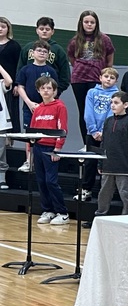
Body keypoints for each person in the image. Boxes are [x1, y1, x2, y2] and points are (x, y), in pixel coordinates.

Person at [67, 10, 115, 143]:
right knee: (84, 112)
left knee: (99, 111)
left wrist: (105, 73)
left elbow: (109, 59)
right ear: (81, 23)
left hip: (97, 79)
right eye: (86, 22)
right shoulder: (75, 40)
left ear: (96, 24)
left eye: (92, 22)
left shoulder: (104, 39)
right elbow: (72, 58)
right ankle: (86, 143)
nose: (89, 25)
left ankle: (100, 140)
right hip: (79, 80)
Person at [15, 41, 63, 173]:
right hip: (29, 106)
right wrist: (29, 103)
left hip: (46, 108)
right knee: (29, 134)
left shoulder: (51, 71)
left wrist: (44, 106)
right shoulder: (25, 69)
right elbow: (20, 87)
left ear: (48, 55)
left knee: (46, 133)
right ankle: (28, 161)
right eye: (39, 51)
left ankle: (42, 160)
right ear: (32, 53)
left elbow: (54, 90)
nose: (42, 53)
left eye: (45, 52)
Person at [93, 91, 128, 220]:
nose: (113, 105)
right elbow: (103, 144)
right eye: (111, 103)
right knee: (104, 193)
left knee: (126, 195)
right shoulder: (108, 121)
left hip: (124, 167)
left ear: (125, 105)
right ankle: (100, 217)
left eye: (116, 103)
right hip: (108, 166)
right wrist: (100, 162)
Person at [30, 76, 69, 226]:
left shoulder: (60, 106)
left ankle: (62, 212)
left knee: (51, 181)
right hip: (38, 148)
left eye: (49, 88)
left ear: (54, 91)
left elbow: (62, 128)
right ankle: (48, 210)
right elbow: (32, 132)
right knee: (41, 181)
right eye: (43, 88)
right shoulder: (38, 109)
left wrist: (57, 149)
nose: (46, 91)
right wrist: (30, 152)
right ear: (38, 91)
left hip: (51, 148)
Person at [79, 67, 120, 200]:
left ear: (116, 81)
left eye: (112, 78)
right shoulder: (92, 92)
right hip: (92, 133)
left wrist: (103, 131)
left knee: (106, 163)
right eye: (106, 76)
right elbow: (88, 112)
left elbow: (111, 113)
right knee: (90, 162)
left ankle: (106, 193)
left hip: (107, 134)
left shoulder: (116, 94)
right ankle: (86, 190)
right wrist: (93, 130)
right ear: (100, 78)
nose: (108, 79)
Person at [17, 17, 70, 95]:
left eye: (47, 29)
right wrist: (18, 85)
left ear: (52, 31)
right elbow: (20, 67)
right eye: (41, 29)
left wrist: (58, 90)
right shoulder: (28, 48)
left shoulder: (58, 50)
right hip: (29, 91)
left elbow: (65, 73)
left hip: (50, 92)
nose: (44, 31)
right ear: (37, 30)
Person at [0, 17, 22, 133]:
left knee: (10, 111)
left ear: (8, 29)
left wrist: (17, 84)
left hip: (9, 84)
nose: (0, 29)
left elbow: (19, 66)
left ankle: (9, 141)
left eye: (3, 27)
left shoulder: (14, 46)